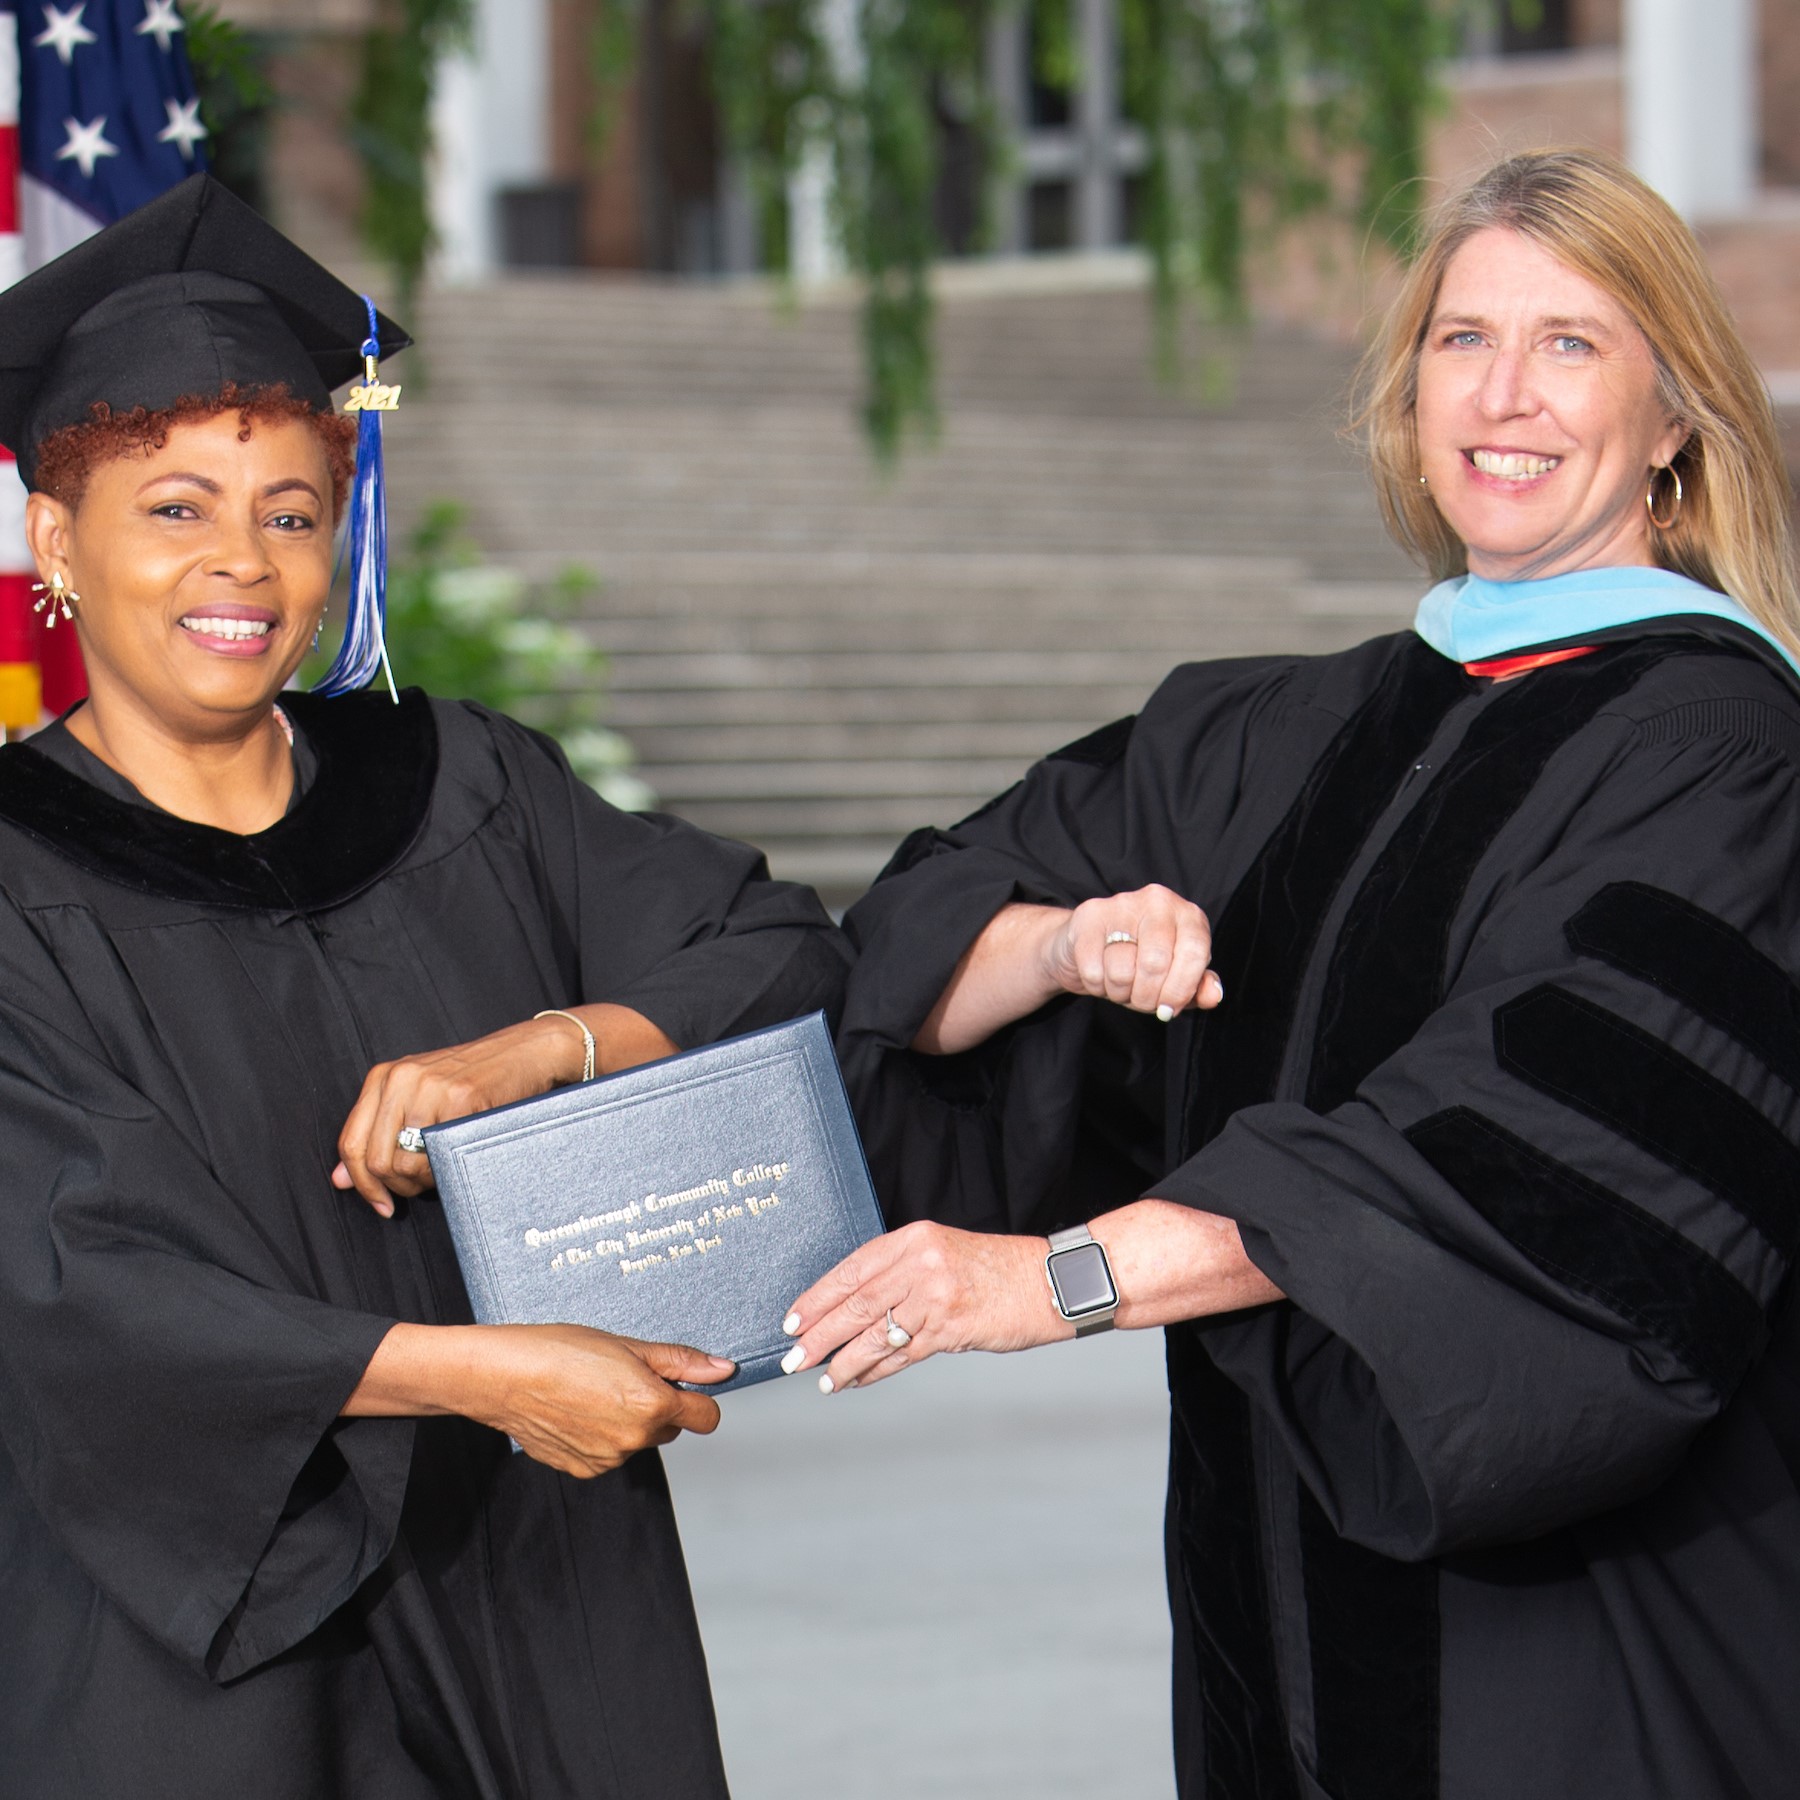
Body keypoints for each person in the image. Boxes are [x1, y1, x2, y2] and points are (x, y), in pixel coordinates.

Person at [785, 149, 1800, 1798]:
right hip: (1259, 1576)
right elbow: (913, 937)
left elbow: (1523, 1146)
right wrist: (1067, 946)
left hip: (1580, 1620)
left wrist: (1052, 1280)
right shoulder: (1269, 733)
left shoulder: (1723, 754)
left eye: (1572, 344)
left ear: (1677, 418)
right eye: (1462, 340)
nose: (1505, 394)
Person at [0, 175, 848, 1798]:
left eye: (292, 509)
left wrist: (540, 1048)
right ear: (57, 540)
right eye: (171, 506)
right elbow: (66, 1286)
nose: (240, 562)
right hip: (190, 1639)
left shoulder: (465, 785)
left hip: (534, 1576)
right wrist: (479, 1372)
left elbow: (773, 949)